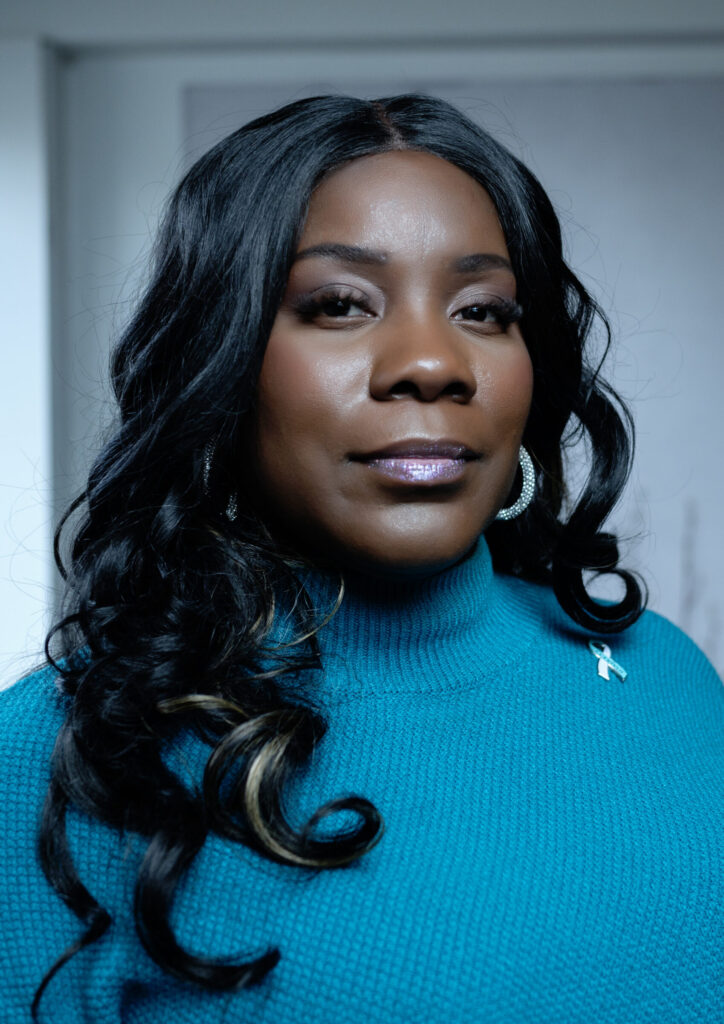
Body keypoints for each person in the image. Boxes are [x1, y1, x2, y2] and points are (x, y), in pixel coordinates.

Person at [1, 94, 722, 1023]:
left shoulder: (665, 671)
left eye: (484, 309)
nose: (430, 362)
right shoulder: (66, 756)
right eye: (339, 304)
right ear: (222, 361)